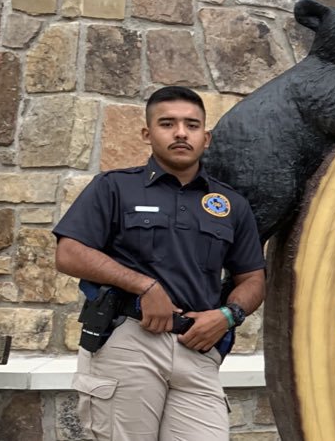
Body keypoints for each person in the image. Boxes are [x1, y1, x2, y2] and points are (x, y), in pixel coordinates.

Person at [53, 87, 267, 441]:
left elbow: (253, 278)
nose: (181, 132)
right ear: (147, 133)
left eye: (192, 125)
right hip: (129, 340)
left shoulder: (231, 204)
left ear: (206, 137)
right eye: (167, 123)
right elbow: (69, 252)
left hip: (197, 348)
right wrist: (145, 286)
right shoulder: (114, 188)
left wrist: (228, 316)